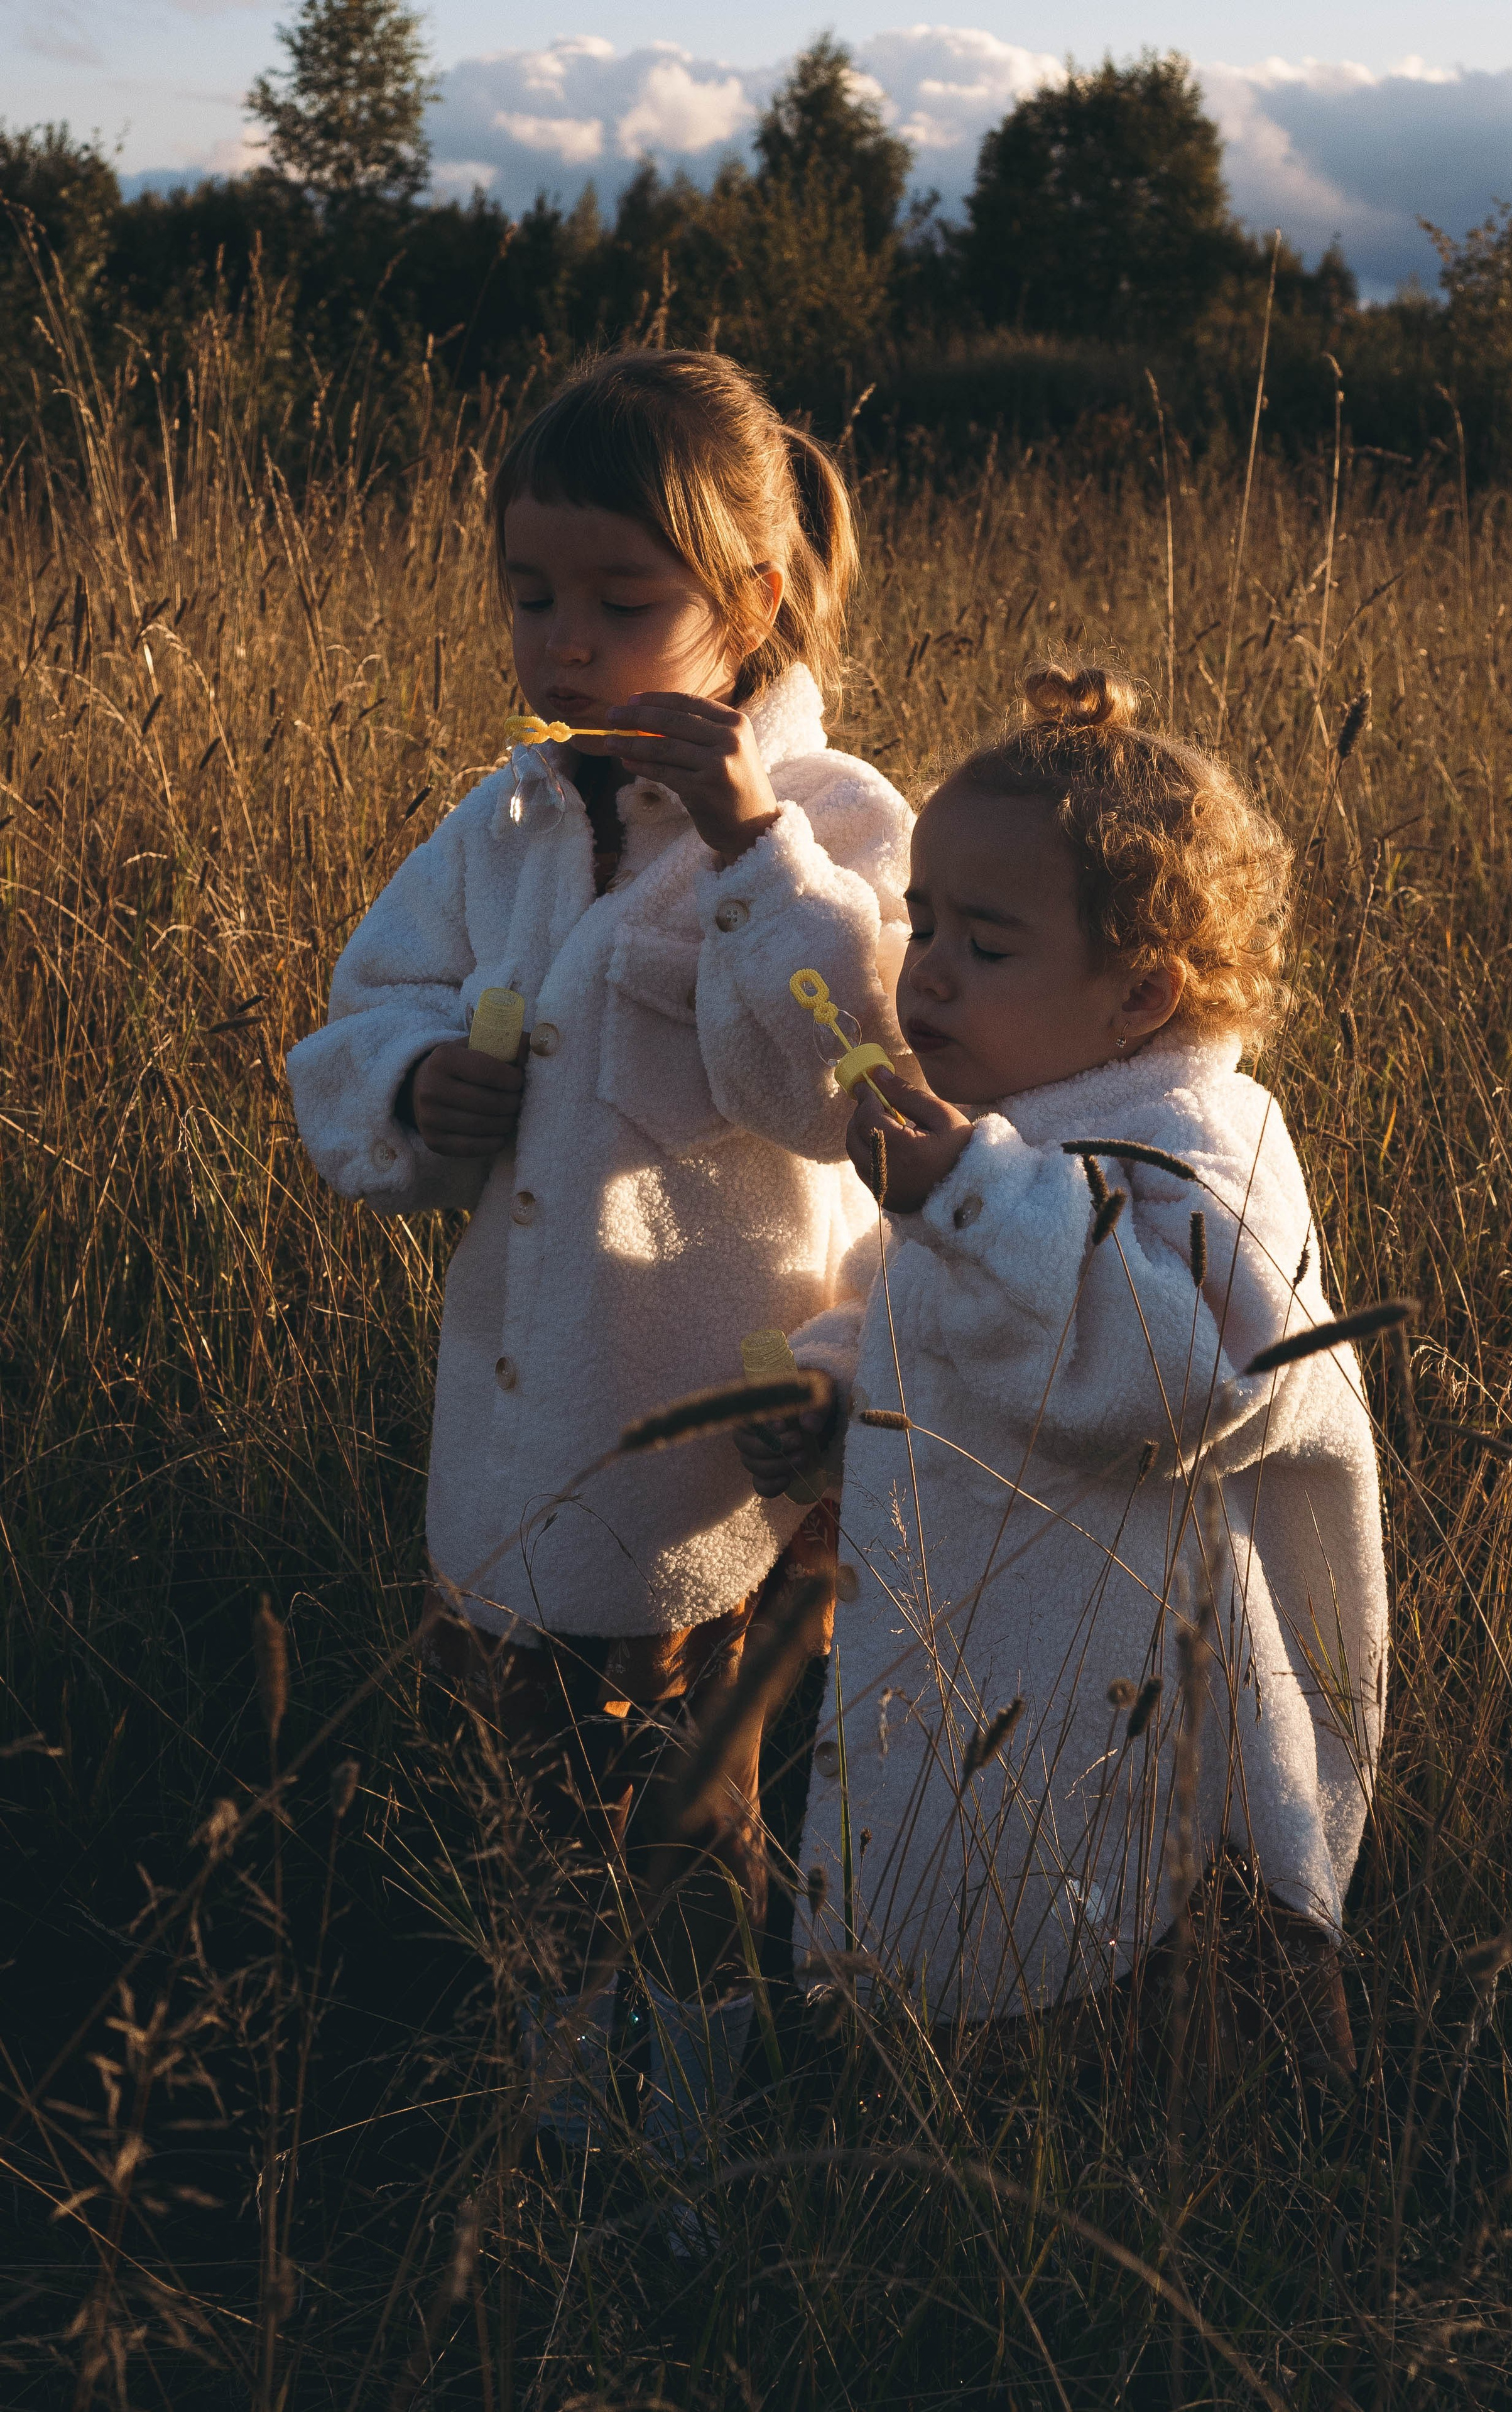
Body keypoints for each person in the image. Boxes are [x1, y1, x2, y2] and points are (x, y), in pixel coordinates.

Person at [287, 349, 911, 2151]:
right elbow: (365, 1005)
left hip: (719, 1454)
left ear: (755, 601)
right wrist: (420, 1084)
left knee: (698, 1829)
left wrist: (745, 843)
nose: (566, 642)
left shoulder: (842, 824)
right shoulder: (508, 816)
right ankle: (567, 2139)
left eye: (624, 604)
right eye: (531, 594)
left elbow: (843, 1089)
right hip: (526, 1436)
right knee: (540, 1821)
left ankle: (699, 2165)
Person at [737, 662, 1387, 2082]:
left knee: (1137, 1988)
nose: (926, 971)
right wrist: (838, 1390)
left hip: (1127, 1696)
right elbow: (918, 1308)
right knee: (969, 1912)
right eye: (922, 921)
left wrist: (970, 1193)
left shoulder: (1199, 1145)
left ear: (1138, 992)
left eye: (986, 940)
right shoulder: (1013, 1121)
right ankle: (940, 2143)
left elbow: (1197, 1382)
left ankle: (1190, 2200)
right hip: (974, 1649)